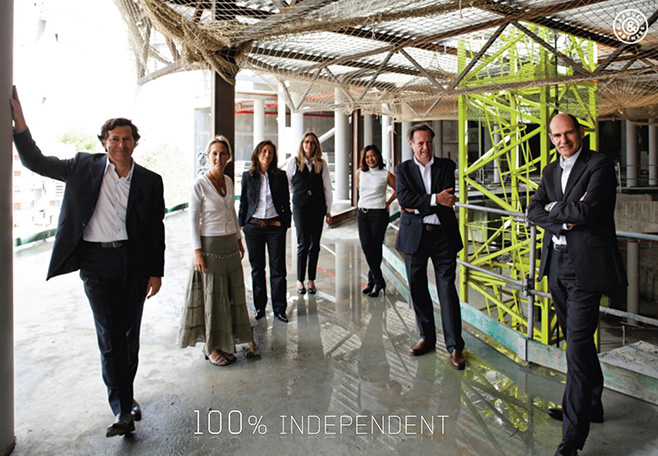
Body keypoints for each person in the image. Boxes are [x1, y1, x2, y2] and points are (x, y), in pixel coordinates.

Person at [10, 87, 165, 437]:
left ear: (135, 143)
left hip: (133, 263)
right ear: (104, 142)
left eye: (127, 139)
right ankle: (121, 409)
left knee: (129, 338)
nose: (121, 144)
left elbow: (156, 230)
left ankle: (126, 396)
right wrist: (20, 124)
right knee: (110, 337)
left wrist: (156, 272)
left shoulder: (150, 181)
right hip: (96, 264)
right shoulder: (82, 167)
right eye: (115, 139)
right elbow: (36, 162)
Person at [527, 113, 626, 456]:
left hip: (586, 267)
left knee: (577, 346)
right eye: (556, 136)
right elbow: (533, 210)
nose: (563, 141)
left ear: (580, 132)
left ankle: (571, 438)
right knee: (577, 343)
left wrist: (555, 209)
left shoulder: (599, 164)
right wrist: (563, 216)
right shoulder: (550, 171)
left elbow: (589, 212)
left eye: (568, 133)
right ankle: (592, 404)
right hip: (556, 265)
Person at [177, 136, 256, 366]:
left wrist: (239, 239)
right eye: (214, 153)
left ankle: (225, 344)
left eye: (223, 153)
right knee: (212, 299)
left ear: (228, 157)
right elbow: (193, 220)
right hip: (210, 247)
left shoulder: (229, 181)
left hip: (230, 245)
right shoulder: (199, 185)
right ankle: (210, 347)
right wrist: (197, 252)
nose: (218, 158)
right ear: (207, 156)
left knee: (229, 297)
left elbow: (231, 212)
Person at [395, 123, 466, 369]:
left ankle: (455, 346)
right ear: (411, 145)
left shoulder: (446, 166)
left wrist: (417, 206)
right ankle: (426, 337)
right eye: (420, 143)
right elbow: (404, 198)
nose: (425, 147)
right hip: (414, 237)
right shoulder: (402, 170)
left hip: (443, 236)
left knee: (447, 290)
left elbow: (448, 199)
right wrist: (435, 199)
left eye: (428, 142)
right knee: (417, 288)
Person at [239, 140, 292, 323]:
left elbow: (286, 201)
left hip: (274, 228)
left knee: (278, 269)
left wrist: (284, 223)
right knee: (257, 269)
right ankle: (259, 307)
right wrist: (242, 224)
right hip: (253, 228)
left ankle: (279, 309)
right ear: (257, 154)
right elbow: (244, 201)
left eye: (270, 152)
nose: (266, 155)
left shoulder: (280, 175)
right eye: (263, 151)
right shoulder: (248, 176)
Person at [285, 131, 333, 295]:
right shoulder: (293, 162)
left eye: (312, 142)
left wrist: (328, 210)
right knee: (303, 243)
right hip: (300, 207)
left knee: (315, 244)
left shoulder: (322, 164)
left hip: (318, 207)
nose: (309, 145)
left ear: (316, 146)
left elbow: (327, 187)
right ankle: (300, 280)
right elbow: (288, 183)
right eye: (306, 142)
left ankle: (311, 279)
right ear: (302, 144)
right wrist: (299, 193)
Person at [356, 145, 396, 297]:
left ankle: (372, 281)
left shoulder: (386, 174)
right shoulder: (359, 173)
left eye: (373, 155)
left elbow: (398, 189)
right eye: (367, 157)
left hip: (379, 214)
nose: (370, 159)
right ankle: (378, 280)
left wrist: (388, 202)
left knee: (375, 248)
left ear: (378, 156)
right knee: (367, 246)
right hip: (362, 213)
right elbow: (361, 191)